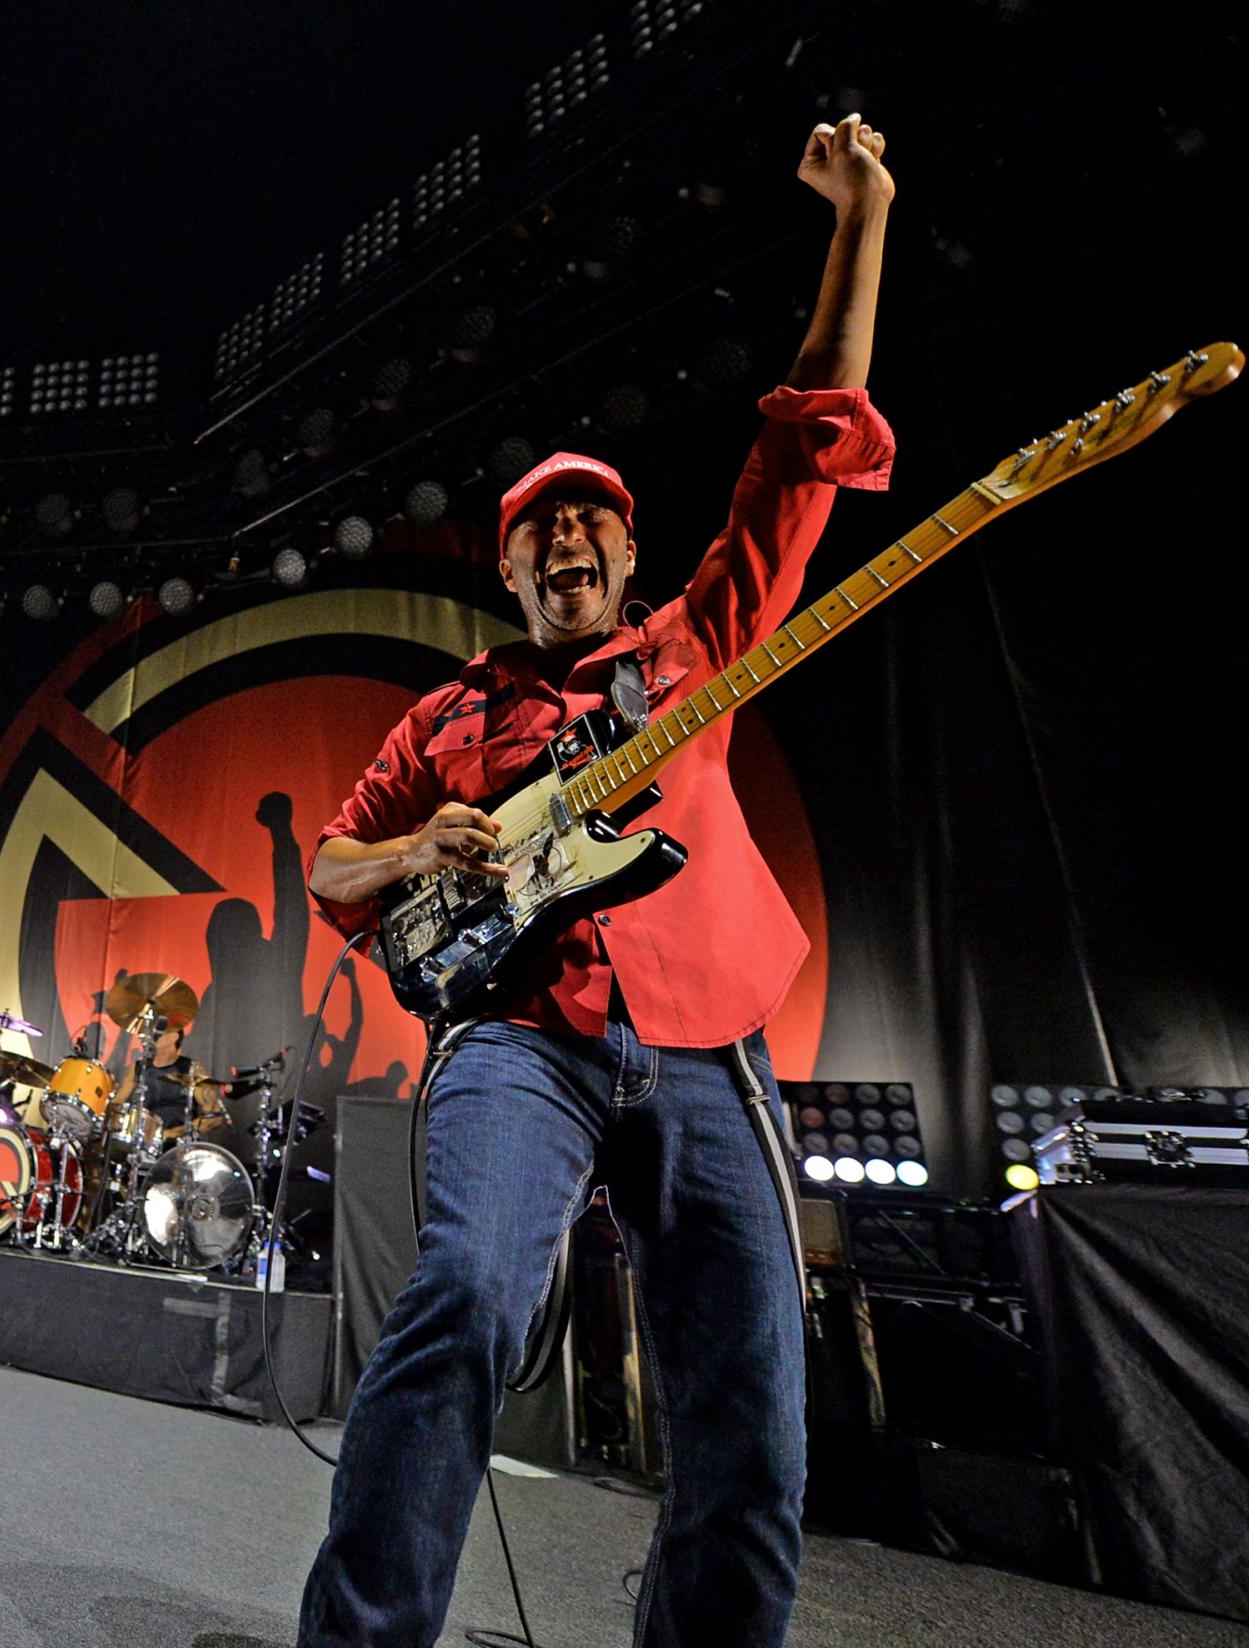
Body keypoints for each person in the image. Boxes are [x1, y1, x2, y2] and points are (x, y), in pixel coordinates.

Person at [296, 116, 896, 1648]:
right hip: (519, 1042)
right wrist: (419, 842)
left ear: (629, 560)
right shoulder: (448, 716)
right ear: (508, 575)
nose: (567, 536)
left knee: (755, 1428)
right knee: (463, 1309)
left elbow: (802, 446)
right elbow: (327, 864)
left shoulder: (695, 646)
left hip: (709, 1046)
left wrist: (858, 225)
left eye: (593, 520)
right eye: (538, 527)